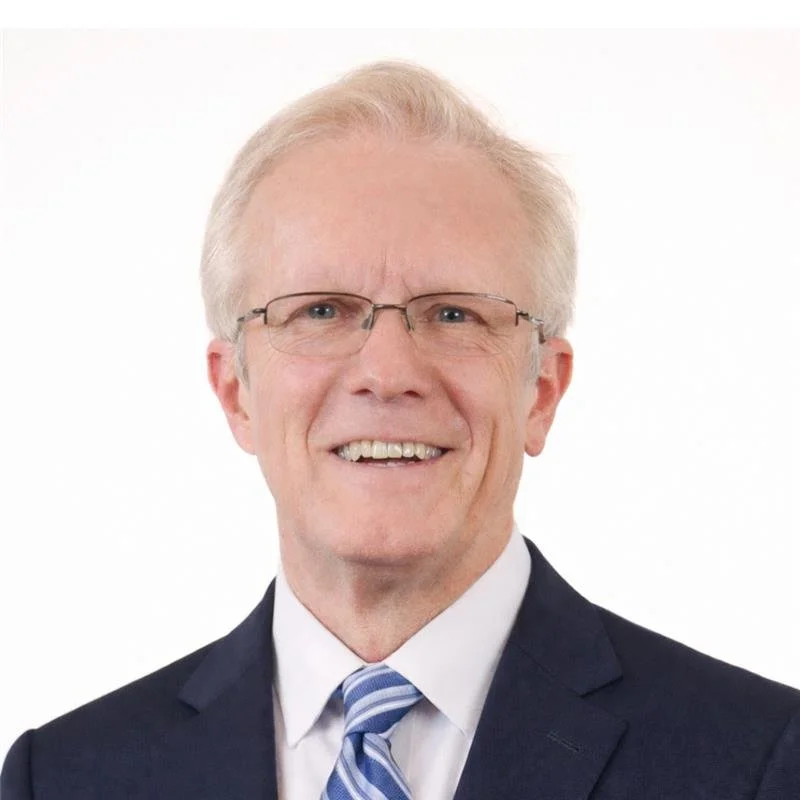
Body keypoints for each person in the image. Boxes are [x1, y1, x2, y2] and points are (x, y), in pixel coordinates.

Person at [2, 60, 798, 800]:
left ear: (543, 391)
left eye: (453, 313)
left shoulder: (762, 760)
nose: (388, 371)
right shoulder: (64, 778)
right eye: (320, 311)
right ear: (236, 391)